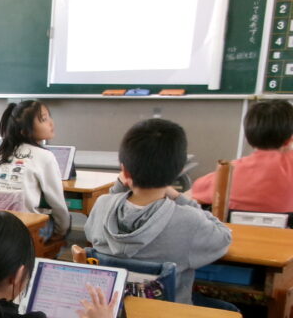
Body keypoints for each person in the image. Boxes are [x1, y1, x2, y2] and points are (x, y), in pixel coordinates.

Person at [85, 119, 234, 307]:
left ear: (124, 172)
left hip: (112, 311)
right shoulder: (189, 221)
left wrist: (120, 187)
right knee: (230, 310)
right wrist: (179, 197)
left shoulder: (101, 205)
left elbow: (92, 232)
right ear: (179, 171)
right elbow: (224, 238)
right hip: (168, 315)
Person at [192, 99, 293, 221]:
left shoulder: (226, 173)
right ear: (290, 139)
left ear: (248, 137)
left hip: (236, 232)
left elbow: (195, 192)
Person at [0, 100, 70, 242]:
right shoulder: (45, 156)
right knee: (62, 221)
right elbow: (57, 203)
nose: (51, 123)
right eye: (43, 119)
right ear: (25, 130)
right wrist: (61, 231)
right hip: (25, 230)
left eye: (49, 117)